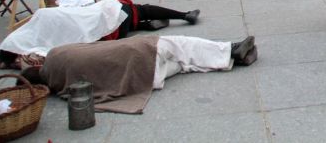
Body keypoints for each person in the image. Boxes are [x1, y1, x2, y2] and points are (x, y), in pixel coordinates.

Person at [19, 35, 257, 114]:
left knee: (184, 63)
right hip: (141, 54)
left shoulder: (61, 84)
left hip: (141, 76)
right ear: (37, 66)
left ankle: (230, 58)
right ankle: (230, 51)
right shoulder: (56, 55)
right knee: (183, 47)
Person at [0, 0, 200, 63]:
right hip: (113, 16)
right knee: (139, 9)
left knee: (118, 20)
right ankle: (183, 14)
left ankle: (142, 25)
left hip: (106, 35)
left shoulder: (37, 46)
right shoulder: (43, 15)